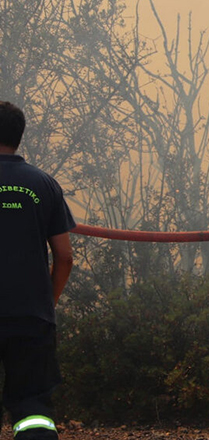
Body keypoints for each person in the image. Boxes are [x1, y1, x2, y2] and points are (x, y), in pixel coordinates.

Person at [0, 101, 75, 440]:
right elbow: (64, 256)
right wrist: (49, 301)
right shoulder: (44, 184)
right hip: (32, 316)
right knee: (33, 408)